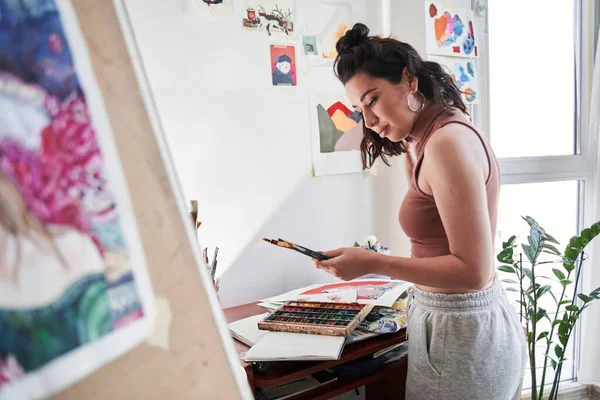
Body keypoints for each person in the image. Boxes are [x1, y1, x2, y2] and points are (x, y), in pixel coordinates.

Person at [313, 23, 527, 400]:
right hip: (450, 323)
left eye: (372, 99)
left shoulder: (446, 143)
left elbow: (474, 271)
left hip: (461, 332)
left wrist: (373, 263)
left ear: (409, 81)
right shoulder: (425, 138)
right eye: (360, 109)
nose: (369, 120)